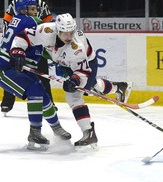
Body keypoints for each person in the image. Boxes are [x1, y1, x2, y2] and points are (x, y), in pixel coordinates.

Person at [11, 13, 131, 148]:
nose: (69, 37)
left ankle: (88, 133)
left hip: (86, 64)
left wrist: (74, 80)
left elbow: (83, 72)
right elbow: (23, 36)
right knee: (92, 86)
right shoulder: (46, 30)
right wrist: (17, 50)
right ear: (57, 30)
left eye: (71, 32)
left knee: (74, 95)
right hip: (63, 61)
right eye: (65, 33)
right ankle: (118, 87)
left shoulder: (77, 48)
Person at [0, 0, 71, 151]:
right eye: (32, 9)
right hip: (5, 69)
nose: (36, 11)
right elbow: (45, 36)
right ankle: (35, 132)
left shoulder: (20, 21)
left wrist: (57, 61)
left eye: (35, 9)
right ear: (24, 10)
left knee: (44, 96)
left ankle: (56, 128)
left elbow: (42, 49)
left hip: (16, 66)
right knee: (36, 90)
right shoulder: (30, 22)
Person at [1, 0, 55, 114]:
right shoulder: (15, 4)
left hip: (37, 45)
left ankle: (49, 103)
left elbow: (49, 25)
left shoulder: (42, 5)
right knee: (12, 72)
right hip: (17, 45)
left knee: (43, 75)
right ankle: (7, 102)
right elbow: (7, 23)